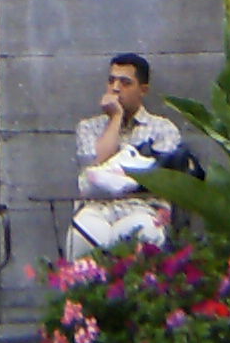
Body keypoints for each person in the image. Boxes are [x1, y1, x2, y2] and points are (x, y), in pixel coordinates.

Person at [67, 54, 181, 254]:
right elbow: (93, 165)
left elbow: (159, 179)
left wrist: (109, 176)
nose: (116, 88)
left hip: (141, 208)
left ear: (143, 90)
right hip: (97, 208)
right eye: (111, 81)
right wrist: (116, 118)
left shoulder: (163, 129)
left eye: (125, 83)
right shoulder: (88, 127)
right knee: (81, 234)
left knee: (143, 233)